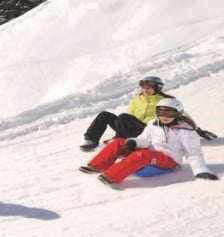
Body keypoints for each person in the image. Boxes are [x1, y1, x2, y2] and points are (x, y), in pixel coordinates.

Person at [79, 98, 219, 185]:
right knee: (119, 141)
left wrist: (200, 171)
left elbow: (193, 154)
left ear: (178, 114)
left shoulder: (186, 131)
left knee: (142, 155)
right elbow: (144, 139)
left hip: (168, 161)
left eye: (169, 113)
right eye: (161, 112)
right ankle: (96, 166)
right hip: (150, 153)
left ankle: (111, 176)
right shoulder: (153, 123)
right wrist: (134, 142)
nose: (164, 116)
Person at [80, 76, 216, 151]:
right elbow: (129, 116)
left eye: (149, 88)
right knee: (105, 115)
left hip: (149, 130)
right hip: (131, 126)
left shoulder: (167, 100)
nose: (145, 90)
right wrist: (123, 125)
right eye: (144, 88)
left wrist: (198, 130)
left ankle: (119, 140)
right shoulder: (136, 99)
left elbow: (183, 116)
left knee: (123, 117)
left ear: (157, 88)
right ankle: (91, 140)